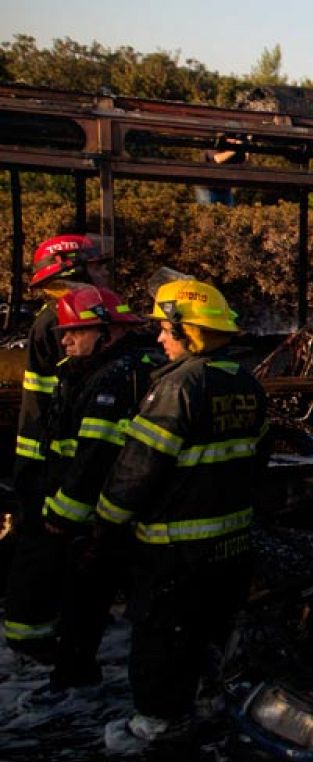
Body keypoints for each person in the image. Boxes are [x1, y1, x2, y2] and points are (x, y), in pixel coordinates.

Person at [94, 279, 267, 741]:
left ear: (189, 331)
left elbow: (136, 469)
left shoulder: (177, 388)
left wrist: (105, 522)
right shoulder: (245, 383)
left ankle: (156, 724)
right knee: (213, 634)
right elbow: (257, 465)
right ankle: (211, 706)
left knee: (162, 639)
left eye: (166, 330)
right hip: (231, 548)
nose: (159, 339)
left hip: (175, 550)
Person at [20, 287, 154, 690]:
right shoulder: (98, 370)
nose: (65, 340)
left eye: (76, 331)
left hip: (99, 514)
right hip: (103, 510)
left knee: (86, 597)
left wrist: (63, 515)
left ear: (108, 331)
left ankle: (74, 677)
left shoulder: (113, 379)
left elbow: (93, 459)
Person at [5, 234, 111, 662]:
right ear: (72, 269)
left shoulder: (52, 317)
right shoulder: (62, 323)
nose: (103, 272)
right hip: (51, 458)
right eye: (97, 266)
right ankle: (31, 637)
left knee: (45, 546)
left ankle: (35, 630)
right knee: (43, 546)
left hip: (44, 455)